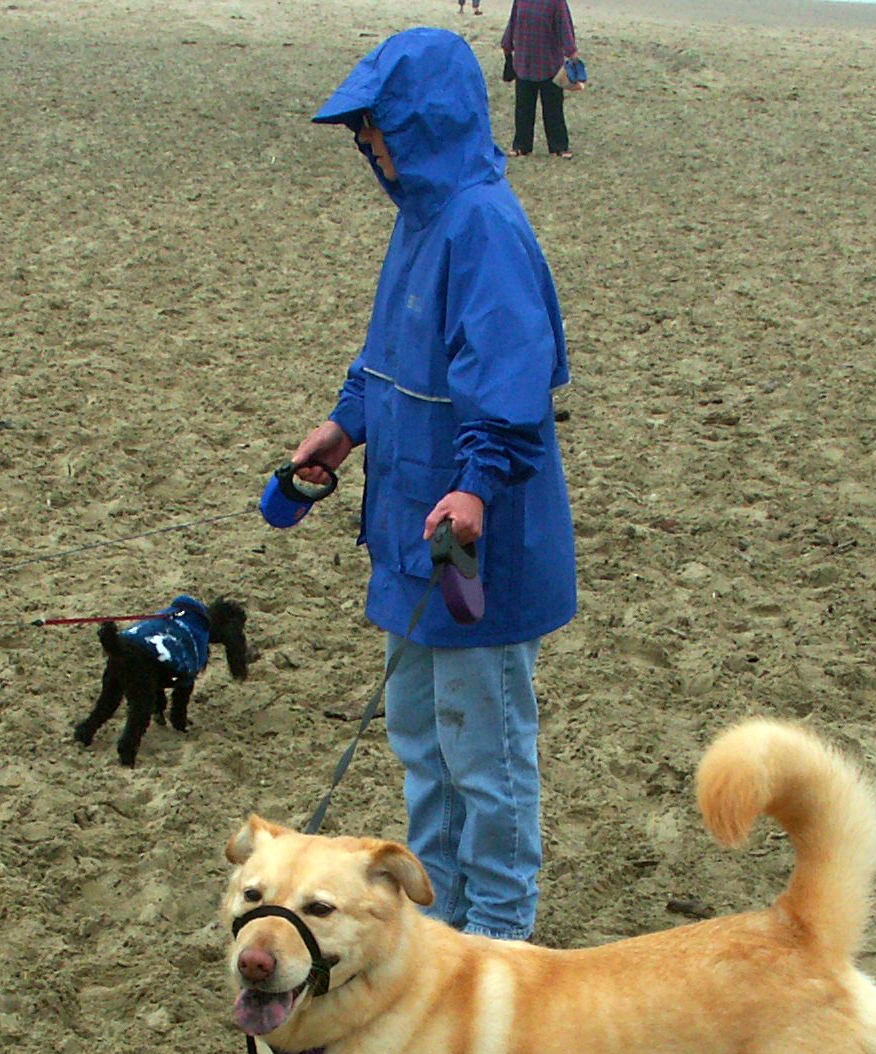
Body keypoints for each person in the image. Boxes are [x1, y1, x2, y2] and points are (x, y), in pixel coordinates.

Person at [291, 28, 576, 943]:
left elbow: (510, 383)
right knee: (421, 740)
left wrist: (477, 486)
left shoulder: (483, 224)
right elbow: (388, 357)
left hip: (472, 545)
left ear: (419, 122)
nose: (365, 143)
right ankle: (442, 929)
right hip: (408, 534)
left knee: (485, 758)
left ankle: (498, 939)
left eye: (373, 126)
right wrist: (346, 427)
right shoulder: (420, 217)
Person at [500, 0, 579, 159]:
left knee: (553, 110)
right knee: (523, 109)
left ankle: (559, 147)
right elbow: (513, 22)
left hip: (550, 64)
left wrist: (572, 53)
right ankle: (521, 146)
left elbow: (565, 27)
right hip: (524, 62)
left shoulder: (556, 2)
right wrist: (507, 45)